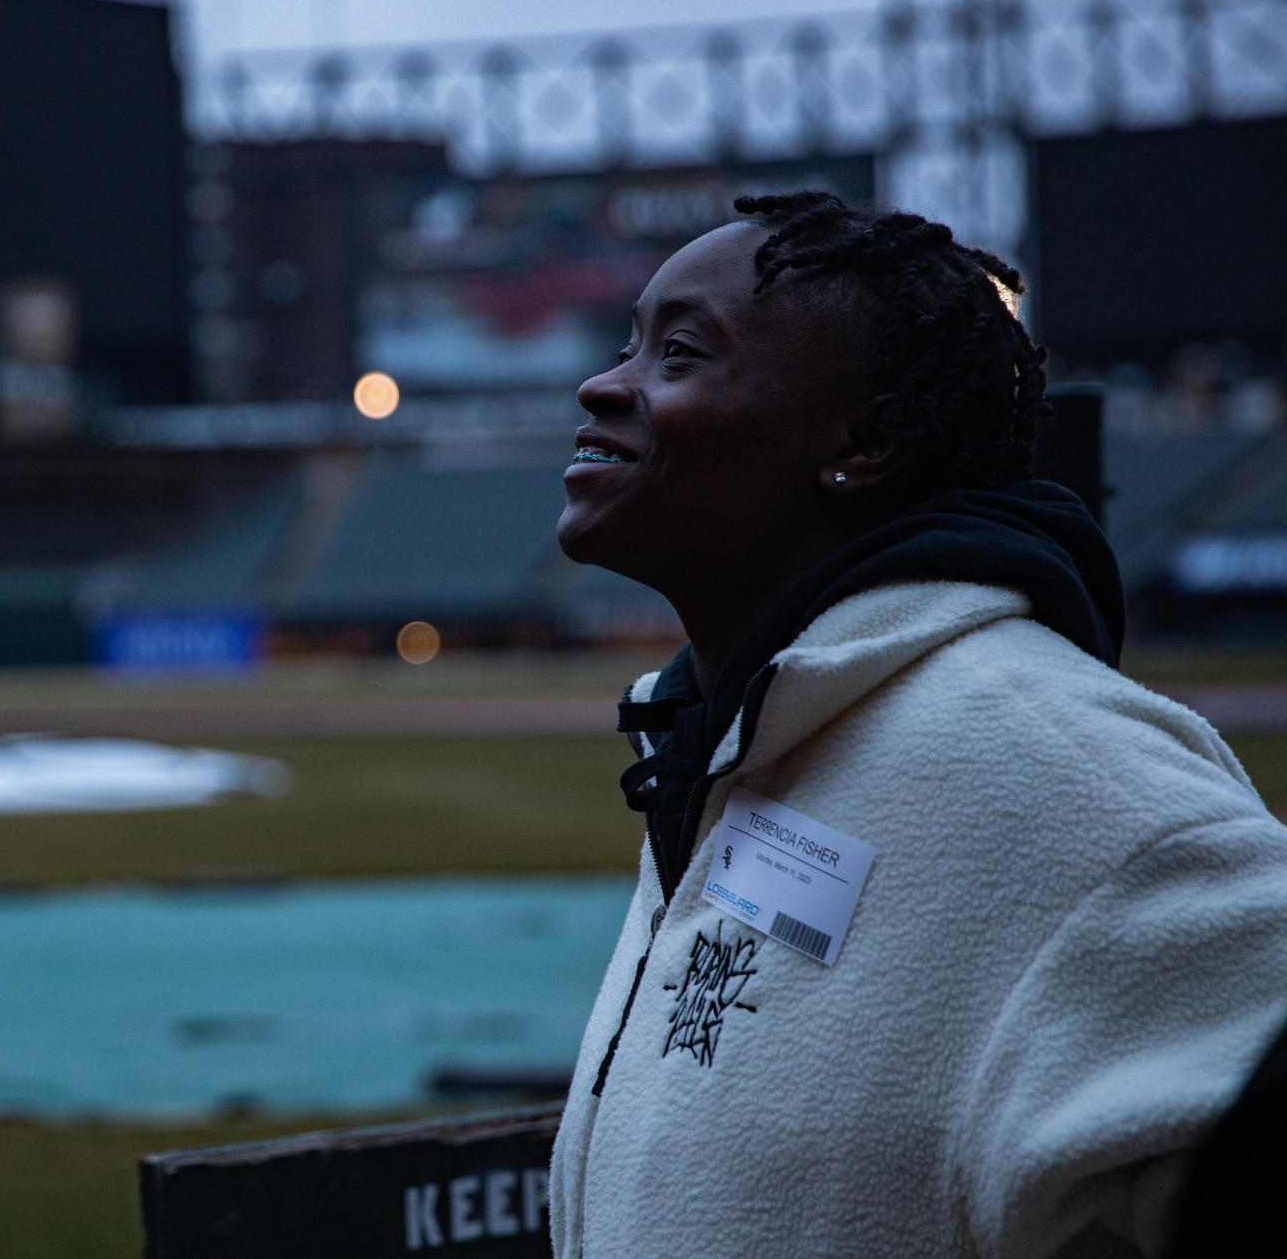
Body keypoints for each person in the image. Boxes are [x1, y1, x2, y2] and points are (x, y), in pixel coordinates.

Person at [547, 191, 1287, 1259]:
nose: (601, 384)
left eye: (677, 353)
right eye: (630, 344)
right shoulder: (742, 735)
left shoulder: (1064, 778)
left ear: (865, 440)